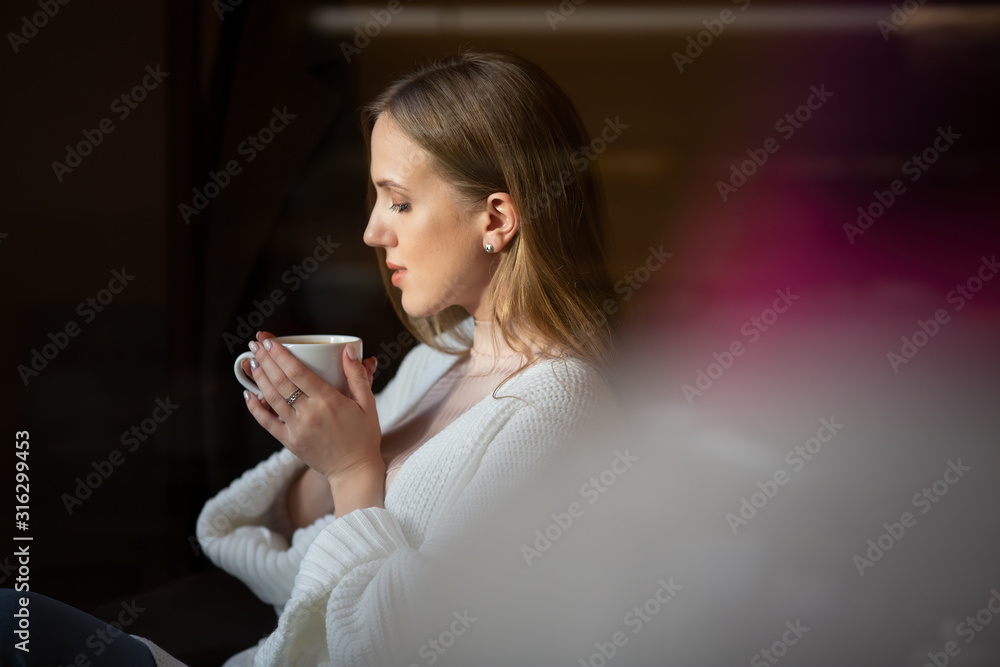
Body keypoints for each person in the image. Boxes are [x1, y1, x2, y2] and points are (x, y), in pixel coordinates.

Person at [0, 50, 617, 666]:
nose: (374, 232)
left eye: (398, 201)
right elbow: (299, 572)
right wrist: (324, 447)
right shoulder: (442, 360)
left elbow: (397, 649)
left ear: (497, 217)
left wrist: (354, 471)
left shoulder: (557, 412)